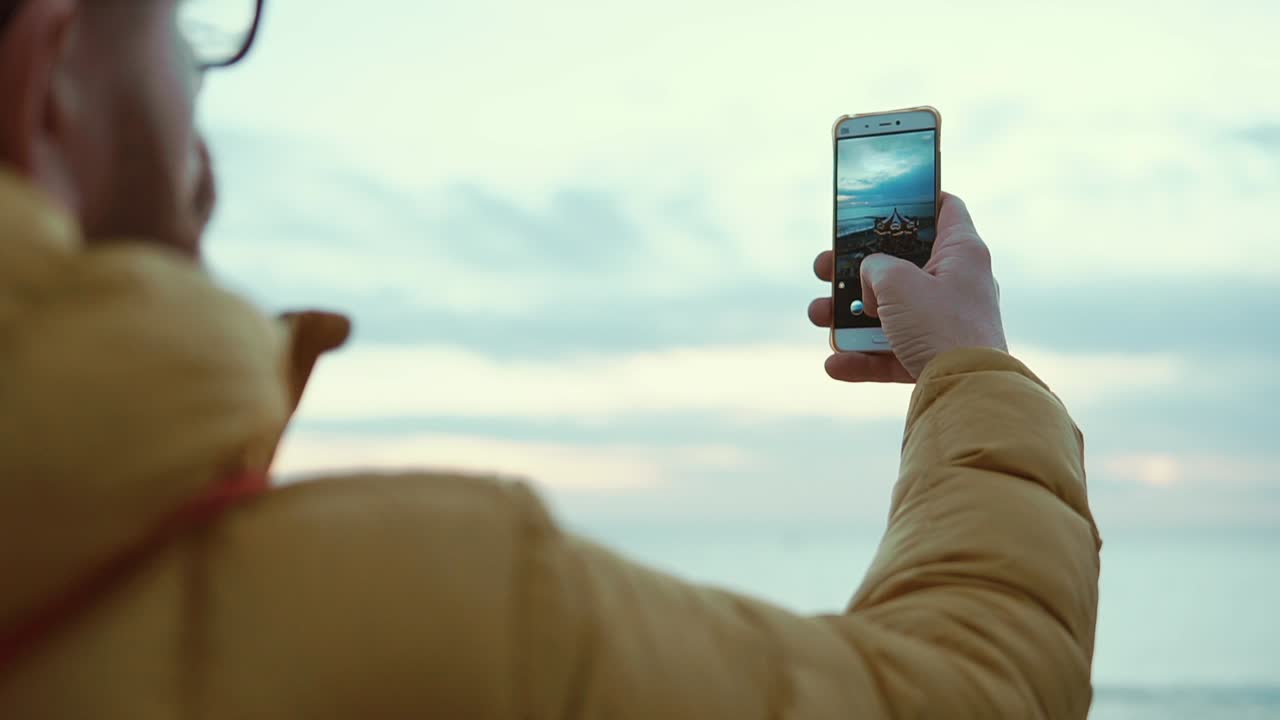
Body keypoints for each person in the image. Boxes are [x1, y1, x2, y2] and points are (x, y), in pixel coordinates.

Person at [0, 0, 1102, 718]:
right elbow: (972, 691)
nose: (200, 123)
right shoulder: (442, 611)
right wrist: (973, 368)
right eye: (184, 34)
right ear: (54, 85)